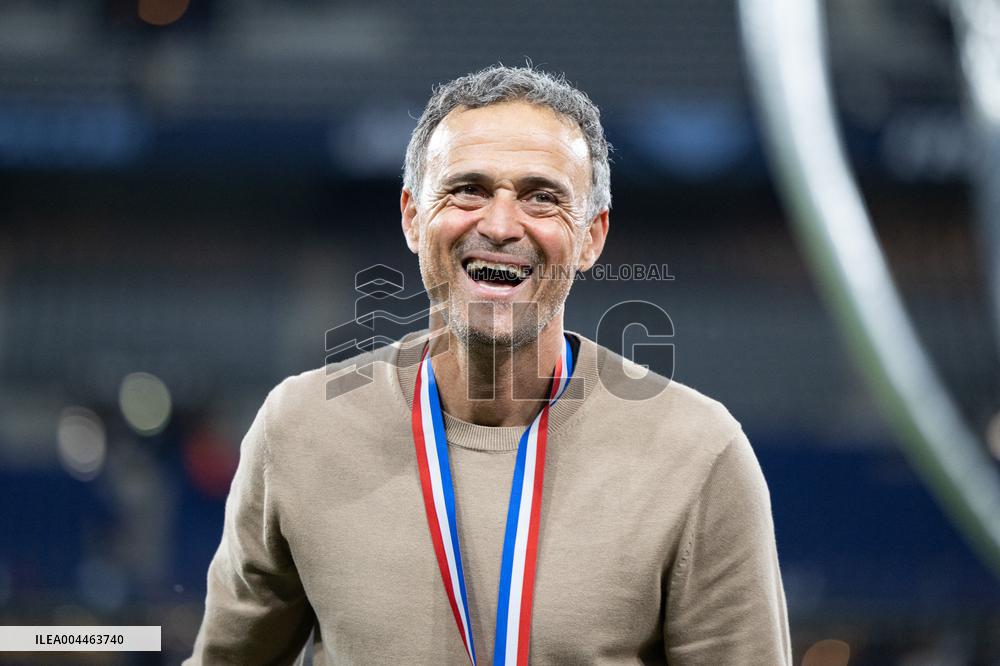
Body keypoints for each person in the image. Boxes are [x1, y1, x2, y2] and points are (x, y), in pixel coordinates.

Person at [185, 65, 792, 665]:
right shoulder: (301, 428)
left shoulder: (697, 453)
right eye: (468, 189)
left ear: (592, 236)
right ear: (412, 217)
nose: (500, 226)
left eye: (542, 197)